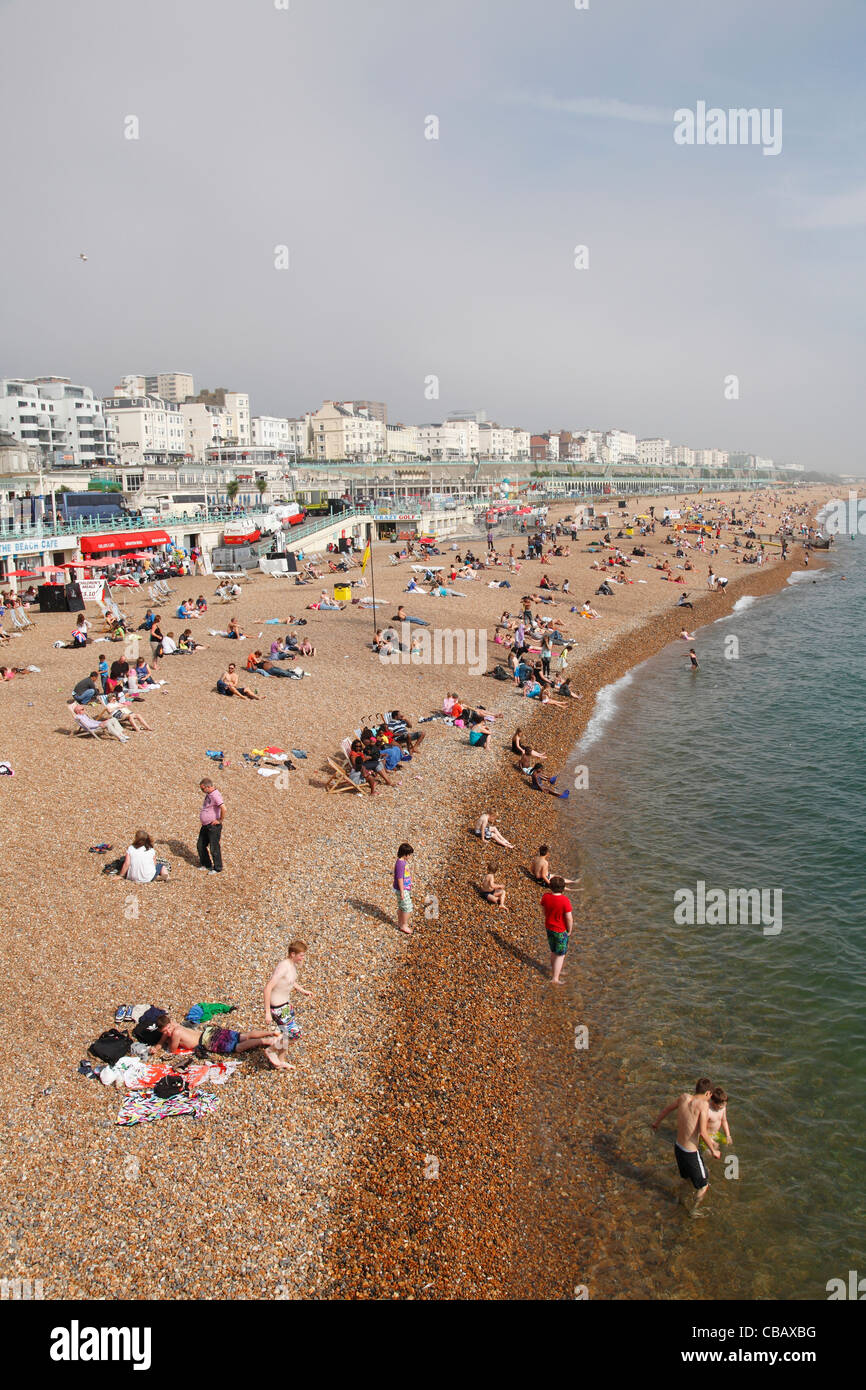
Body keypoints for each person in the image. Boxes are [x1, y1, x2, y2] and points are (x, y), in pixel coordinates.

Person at [651, 1079, 721, 1215]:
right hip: (691, 1153)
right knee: (703, 1186)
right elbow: (703, 1132)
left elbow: (667, 1109)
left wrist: (656, 1123)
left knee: (686, 1179)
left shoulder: (684, 1097)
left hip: (678, 1148)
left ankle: (679, 1199)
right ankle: (693, 1211)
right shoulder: (703, 1106)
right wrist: (714, 1151)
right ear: (708, 1093)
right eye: (710, 1096)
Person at [263, 942, 311, 1070]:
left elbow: (290, 981)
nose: (303, 958)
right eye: (301, 955)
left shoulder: (292, 965)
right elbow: (268, 987)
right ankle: (271, 1050)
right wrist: (267, 1012)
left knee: (286, 1034)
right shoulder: (283, 966)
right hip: (278, 1008)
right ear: (292, 954)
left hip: (285, 1006)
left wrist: (303, 990)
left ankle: (281, 1060)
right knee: (294, 1034)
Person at [151, 1010, 281, 1057]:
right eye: (165, 1031)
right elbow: (166, 1032)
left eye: (167, 1029)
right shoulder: (173, 1024)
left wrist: (166, 1042)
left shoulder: (175, 1032)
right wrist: (158, 1045)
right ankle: (272, 1032)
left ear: (169, 1025)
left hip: (208, 1041)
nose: (167, 1032)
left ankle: (267, 1041)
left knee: (238, 1047)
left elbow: (172, 1049)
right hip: (209, 1032)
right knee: (242, 1036)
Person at [541, 875, 573, 984]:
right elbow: (569, 918)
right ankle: (555, 978)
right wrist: (569, 930)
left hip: (549, 927)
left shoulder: (545, 897)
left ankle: (554, 969)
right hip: (560, 930)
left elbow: (544, 911)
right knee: (560, 954)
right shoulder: (565, 900)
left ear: (550, 887)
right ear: (563, 888)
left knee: (553, 950)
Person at [197, 778, 224, 874]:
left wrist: (220, 820)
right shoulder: (209, 795)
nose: (202, 791)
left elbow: (223, 808)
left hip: (213, 826)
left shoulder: (215, 795)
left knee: (214, 847)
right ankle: (206, 864)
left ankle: (217, 867)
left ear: (208, 787)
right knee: (200, 845)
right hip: (205, 825)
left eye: (203, 789)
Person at [394, 842, 414, 935]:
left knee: (402, 906)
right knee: (407, 907)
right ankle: (404, 925)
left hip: (405, 888)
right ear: (405, 854)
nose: (410, 856)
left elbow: (406, 875)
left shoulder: (403, 862)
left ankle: (400, 923)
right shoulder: (400, 864)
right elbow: (399, 878)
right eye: (409, 854)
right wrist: (402, 891)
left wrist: (410, 883)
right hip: (402, 889)